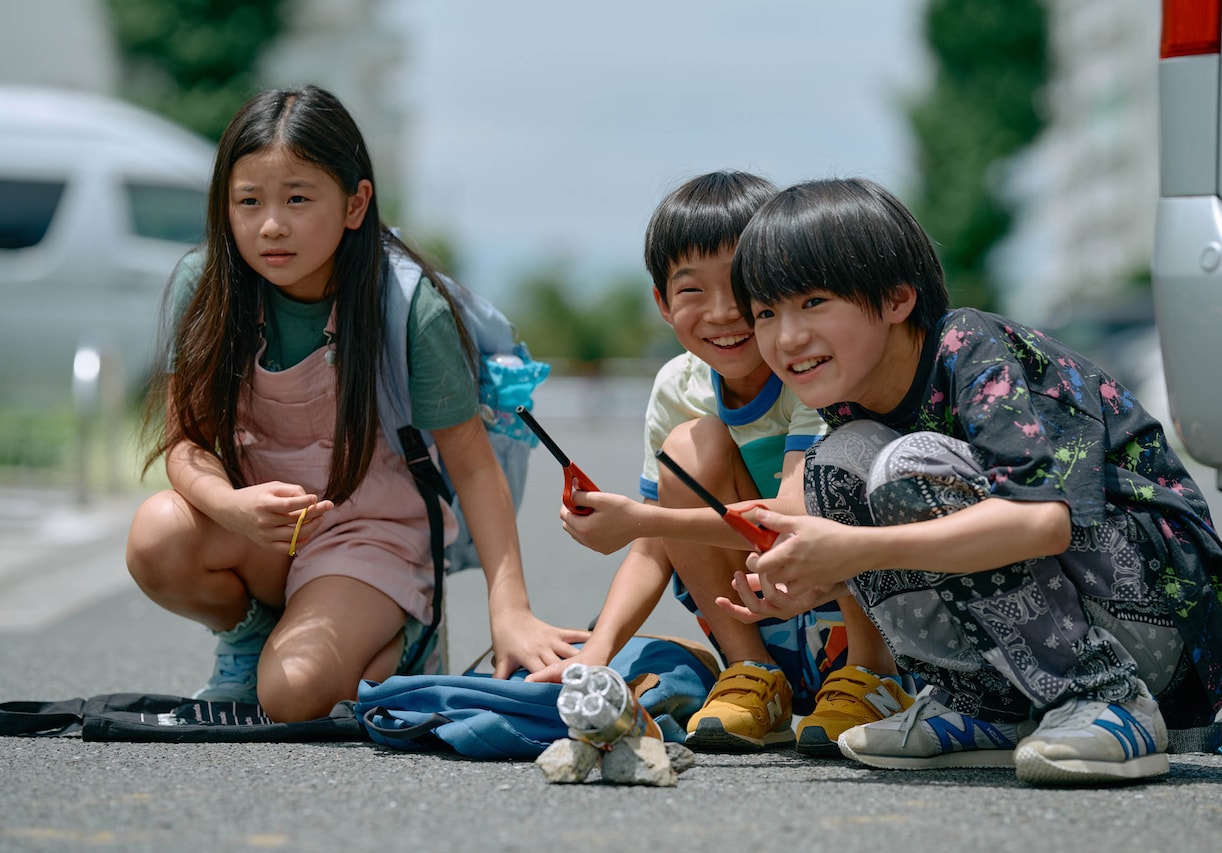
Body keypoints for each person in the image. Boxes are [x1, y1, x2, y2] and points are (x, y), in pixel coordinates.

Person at [721, 177, 1222, 784]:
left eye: (813, 303)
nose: (786, 338)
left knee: (911, 464)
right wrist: (817, 581)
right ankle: (986, 707)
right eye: (766, 313)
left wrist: (856, 550)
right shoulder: (852, 404)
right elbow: (907, 545)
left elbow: (1042, 522)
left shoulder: (975, 351)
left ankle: (1106, 701)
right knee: (838, 467)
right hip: (1075, 616)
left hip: (1169, 628)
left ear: (896, 299)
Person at [125, 85, 587, 723]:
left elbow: (475, 468)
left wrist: (510, 612)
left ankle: (403, 643)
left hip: (370, 536)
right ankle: (250, 637)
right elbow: (186, 443)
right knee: (158, 535)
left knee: (288, 697)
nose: (271, 225)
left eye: (297, 198)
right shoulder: (203, 288)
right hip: (262, 530)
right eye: (248, 201)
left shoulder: (407, 308)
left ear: (355, 203)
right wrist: (231, 507)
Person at [526, 172, 913, 757]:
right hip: (764, 607)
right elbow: (652, 547)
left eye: (741, 286)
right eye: (691, 291)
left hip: (861, 609)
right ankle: (755, 674)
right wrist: (596, 656)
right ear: (661, 302)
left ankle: (872, 676)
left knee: (846, 459)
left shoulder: (813, 368)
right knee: (690, 446)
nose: (723, 312)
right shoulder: (679, 387)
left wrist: (640, 518)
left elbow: (790, 515)